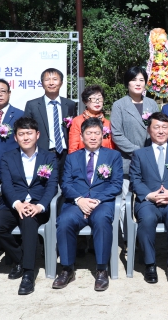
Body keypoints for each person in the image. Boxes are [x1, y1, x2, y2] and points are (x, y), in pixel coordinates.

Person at [0, 117, 58, 295]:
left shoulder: (49, 157)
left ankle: (28, 274)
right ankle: (20, 258)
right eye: (21, 134)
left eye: (29, 133)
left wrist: (40, 206)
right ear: (15, 138)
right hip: (14, 204)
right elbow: (6, 185)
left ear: (37, 135)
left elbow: (52, 186)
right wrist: (17, 204)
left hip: (37, 206)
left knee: (28, 222)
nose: (26, 137)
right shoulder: (7, 157)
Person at [53, 117, 123, 291]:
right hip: (77, 203)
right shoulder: (72, 158)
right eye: (89, 133)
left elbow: (116, 184)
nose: (93, 137)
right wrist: (80, 200)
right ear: (82, 137)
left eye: (96, 133)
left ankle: (101, 269)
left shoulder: (113, 156)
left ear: (102, 136)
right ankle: (67, 269)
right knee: (64, 221)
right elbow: (66, 184)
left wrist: (96, 200)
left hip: (102, 202)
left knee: (101, 220)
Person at [129, 112, 168, 284]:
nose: (161, 131)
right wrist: (150, 195)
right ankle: (149, 264)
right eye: (156, 127)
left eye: (165, 127)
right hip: (148, 200)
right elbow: (135, 179)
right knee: (147, 219)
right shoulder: (140, 154)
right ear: (149, 130)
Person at [23, 68, 77, 183]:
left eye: (55, 79)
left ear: (61, 83)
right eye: (47, 80)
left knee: (66, 185)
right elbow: (26, 130)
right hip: (42, 153)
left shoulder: (70, 105)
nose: (51, 83)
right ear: (42, 83)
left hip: (65, 154)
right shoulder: (32, 105)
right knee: (43, 186)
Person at [111, 66, 160, 175]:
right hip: (128, 161)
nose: (138, 84)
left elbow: (158, 129)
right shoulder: (119, 105)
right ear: (127, 83)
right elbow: (117, 134)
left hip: (151, 160)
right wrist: (138, 151)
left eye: (141, 80)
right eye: (134, 80)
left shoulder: (152, 104)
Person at [68, 85, 115, 153]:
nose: (97, 101)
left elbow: (111, 149)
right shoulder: (77, 121)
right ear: (85, 102)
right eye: (93, 98)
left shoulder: (108, 123)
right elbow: (73, 148)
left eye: (100, 98)